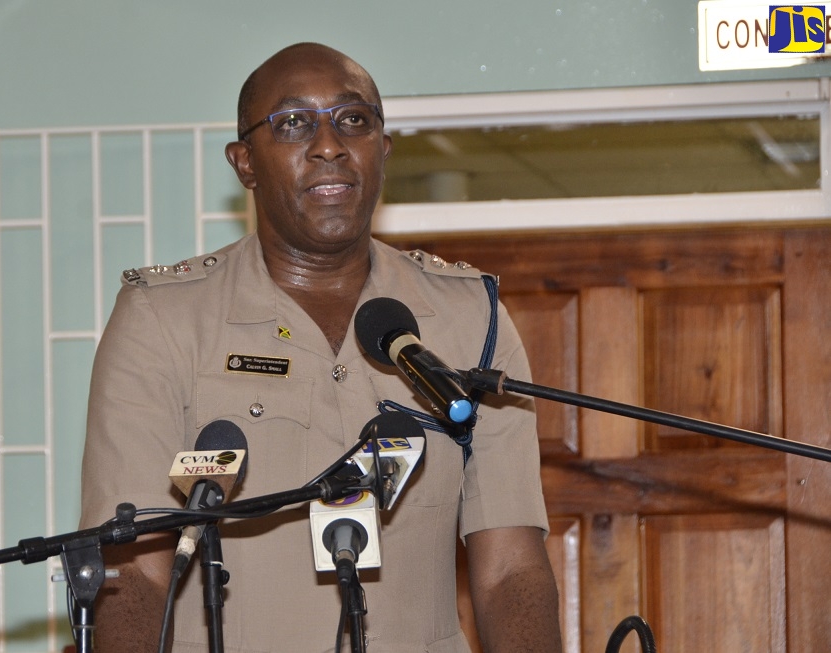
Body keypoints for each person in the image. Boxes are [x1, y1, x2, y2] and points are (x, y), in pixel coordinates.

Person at [79, 42, 562, 652]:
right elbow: (133, 571)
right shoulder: (163, 319)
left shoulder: (470, 317)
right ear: (245, 163)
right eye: (293, 123)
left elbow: (510, 568)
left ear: (382, 150)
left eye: (353, 120)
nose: (329, 143)